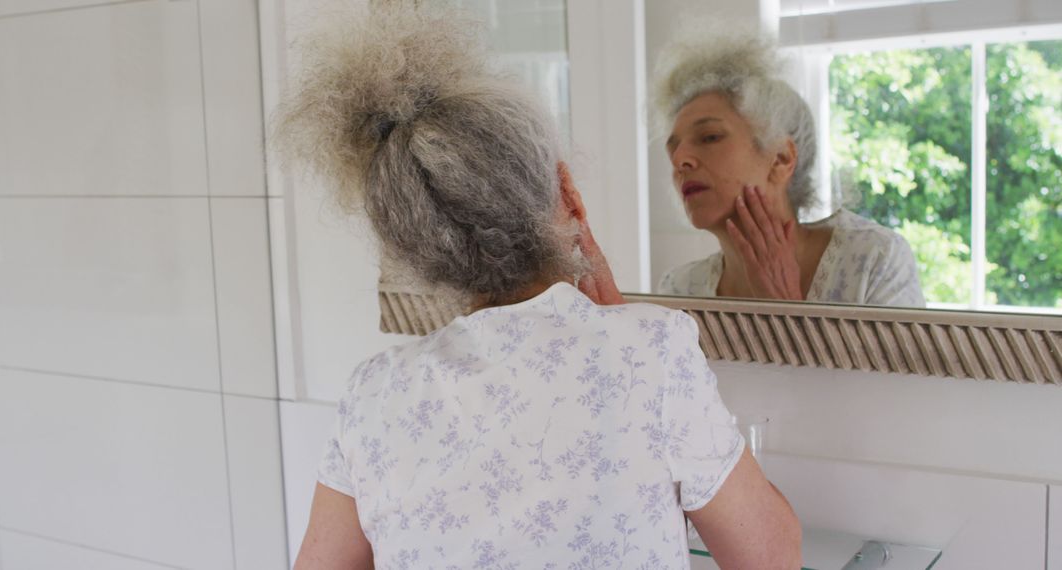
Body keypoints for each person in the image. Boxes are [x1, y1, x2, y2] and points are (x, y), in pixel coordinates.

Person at [276, 4, 801, 569]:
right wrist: (622, 321)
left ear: (415, 248)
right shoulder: (650, 352)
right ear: (566, 194)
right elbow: (771, 558)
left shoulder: (373, 396)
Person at [653, 25, 926, 308]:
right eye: (673, 147)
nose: (679, 160)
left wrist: (784, 305)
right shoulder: (678, 289)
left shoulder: (874, 261)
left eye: (710, 137)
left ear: (781, 158)